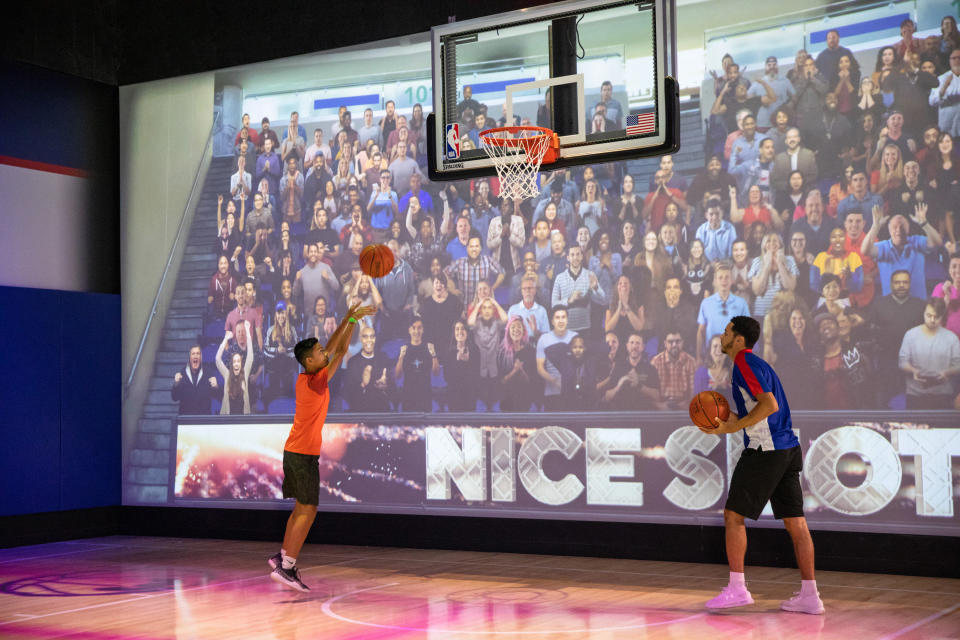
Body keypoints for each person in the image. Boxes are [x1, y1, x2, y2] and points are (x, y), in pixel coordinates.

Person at [700, 316, 821, 615]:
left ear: (739, 340)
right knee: (796, 523)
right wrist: (732, 421)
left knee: (733, 516)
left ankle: (738, 589)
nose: (723, 334)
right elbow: (761, 407)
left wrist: (735, 426)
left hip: (766, 449)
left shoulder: (743, 363)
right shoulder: (758, 364)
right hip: (787, 447)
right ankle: (810, 596)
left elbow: (769, 405)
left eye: (728, 331)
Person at [269, 302, 376, 591]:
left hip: (299, 453)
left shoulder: (314, 375)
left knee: (303, 508)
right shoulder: (314, 381)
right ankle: (287, 566)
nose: (322, 352)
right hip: (301, 455)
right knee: (309, 508)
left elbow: (336, 350)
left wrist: (351, 320)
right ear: (309, 362)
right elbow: (337, 349)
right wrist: (348, 318)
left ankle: (282, 556)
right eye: (317, 352)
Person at [861, 205, 942, 299]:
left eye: (902, 226)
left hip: (917, 304)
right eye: (895, 227)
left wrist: (924, 223)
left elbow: (938, 242)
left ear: (908, 229)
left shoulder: (916, 242)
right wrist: (875, 226)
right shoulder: (884, 246)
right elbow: (865, 250)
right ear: (889, 230)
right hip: (891, 306)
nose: (898, 230)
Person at [899, 298, 960, 408]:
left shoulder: (951, 338)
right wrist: (913, 371)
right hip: (915, 394)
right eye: (929, 315)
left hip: (943, 394)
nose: (932, 320)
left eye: (936, 317)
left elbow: (958, 364)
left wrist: (947, 373)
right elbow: (902, 362)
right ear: (923, 313)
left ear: (942, 317)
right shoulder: (911, 335)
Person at [697, 264, 751, 362]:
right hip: (712, 355)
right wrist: (699, 357)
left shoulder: (741, 303)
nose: (724, 281)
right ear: (715, 281)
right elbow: (701, 331)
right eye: (720, 277)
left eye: (727, 277)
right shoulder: (706, 303)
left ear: (732, 280)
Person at [601, 332, 662, 410]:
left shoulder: (650, 368)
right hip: (621, 414)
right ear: (627, 346)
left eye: (638, 343)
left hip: (643, 413)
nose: (634, 346)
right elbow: (606, 398)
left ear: (643, 347)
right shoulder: (618, 367)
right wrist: (619, 386)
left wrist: (639, 385)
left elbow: (657, 397)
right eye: (632, 343)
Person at [394, 317, 439, 411]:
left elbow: (436, 373)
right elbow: (397, 376)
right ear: (409, 330)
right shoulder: (404, 349)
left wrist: (434, 355)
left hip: (425, 396)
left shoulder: (428, 348)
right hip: (408, 396)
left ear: (423, 330)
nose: (416, 331)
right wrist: (401, 357)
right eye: (413, 328)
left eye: (419, 328)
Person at [343, 325, 392, 412]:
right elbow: (347, 395)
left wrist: (385, 387)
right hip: (360, 412)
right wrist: (363, 385)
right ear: (361, 339)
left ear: (375, 339)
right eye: (365, 337)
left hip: (381, 411)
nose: (369, 340)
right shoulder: (353, 362)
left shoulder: (384, 359)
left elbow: (394, 391)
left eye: (372, 337)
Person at [497, 315, 540, 411]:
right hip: (506, 402)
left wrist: (521, 371)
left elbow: (532, 382)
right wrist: (514, 371)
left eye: (519, 327)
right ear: (508, 331)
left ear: (524, 331)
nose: (516, 330)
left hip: (525, 401)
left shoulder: (531, 351)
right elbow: (501, 382)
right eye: (513, 327)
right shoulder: (501, 353)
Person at [264, 302, 300, 405]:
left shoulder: (292, 330)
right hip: (274, 370)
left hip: (288, 369)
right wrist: (276, 351)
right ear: (275, 315)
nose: (281, 316)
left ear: (286, 314)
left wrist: (286, 351)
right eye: (279, 313)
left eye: (283, 313)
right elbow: (265, 350)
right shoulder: (270, 330)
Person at [215, 321, 255, 416]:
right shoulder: (227, 374)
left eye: (238, 361)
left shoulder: (245, 373)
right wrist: (225, 339)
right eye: (234, 361)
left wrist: (248, 331)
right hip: (227, 420)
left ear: (241, 364)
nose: (236, 364)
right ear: (232, 364)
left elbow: (250, 355)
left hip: (243, 420)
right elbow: (217, 359)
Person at [651, 331, 696, 409]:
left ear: (683, 343)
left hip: (684, 406)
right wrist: (659, 406)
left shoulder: (691, 361)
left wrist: (687, 404)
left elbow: (694, 391)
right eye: (670, 342)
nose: (674, 345)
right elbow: (651, 391)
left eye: (678, 341)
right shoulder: (656, 361)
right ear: (665, 344)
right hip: (662, 405)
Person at [171, 345, 219, 415]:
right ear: (190, 357)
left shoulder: (208, 373)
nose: (195, 356)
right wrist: (176, 384)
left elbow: (216, 396)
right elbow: (175, 398)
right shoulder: (183, 373)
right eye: (193, 354)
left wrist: (216, 387)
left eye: (198, 353)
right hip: (186, 419)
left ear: (201, 357)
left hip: (203, 419)